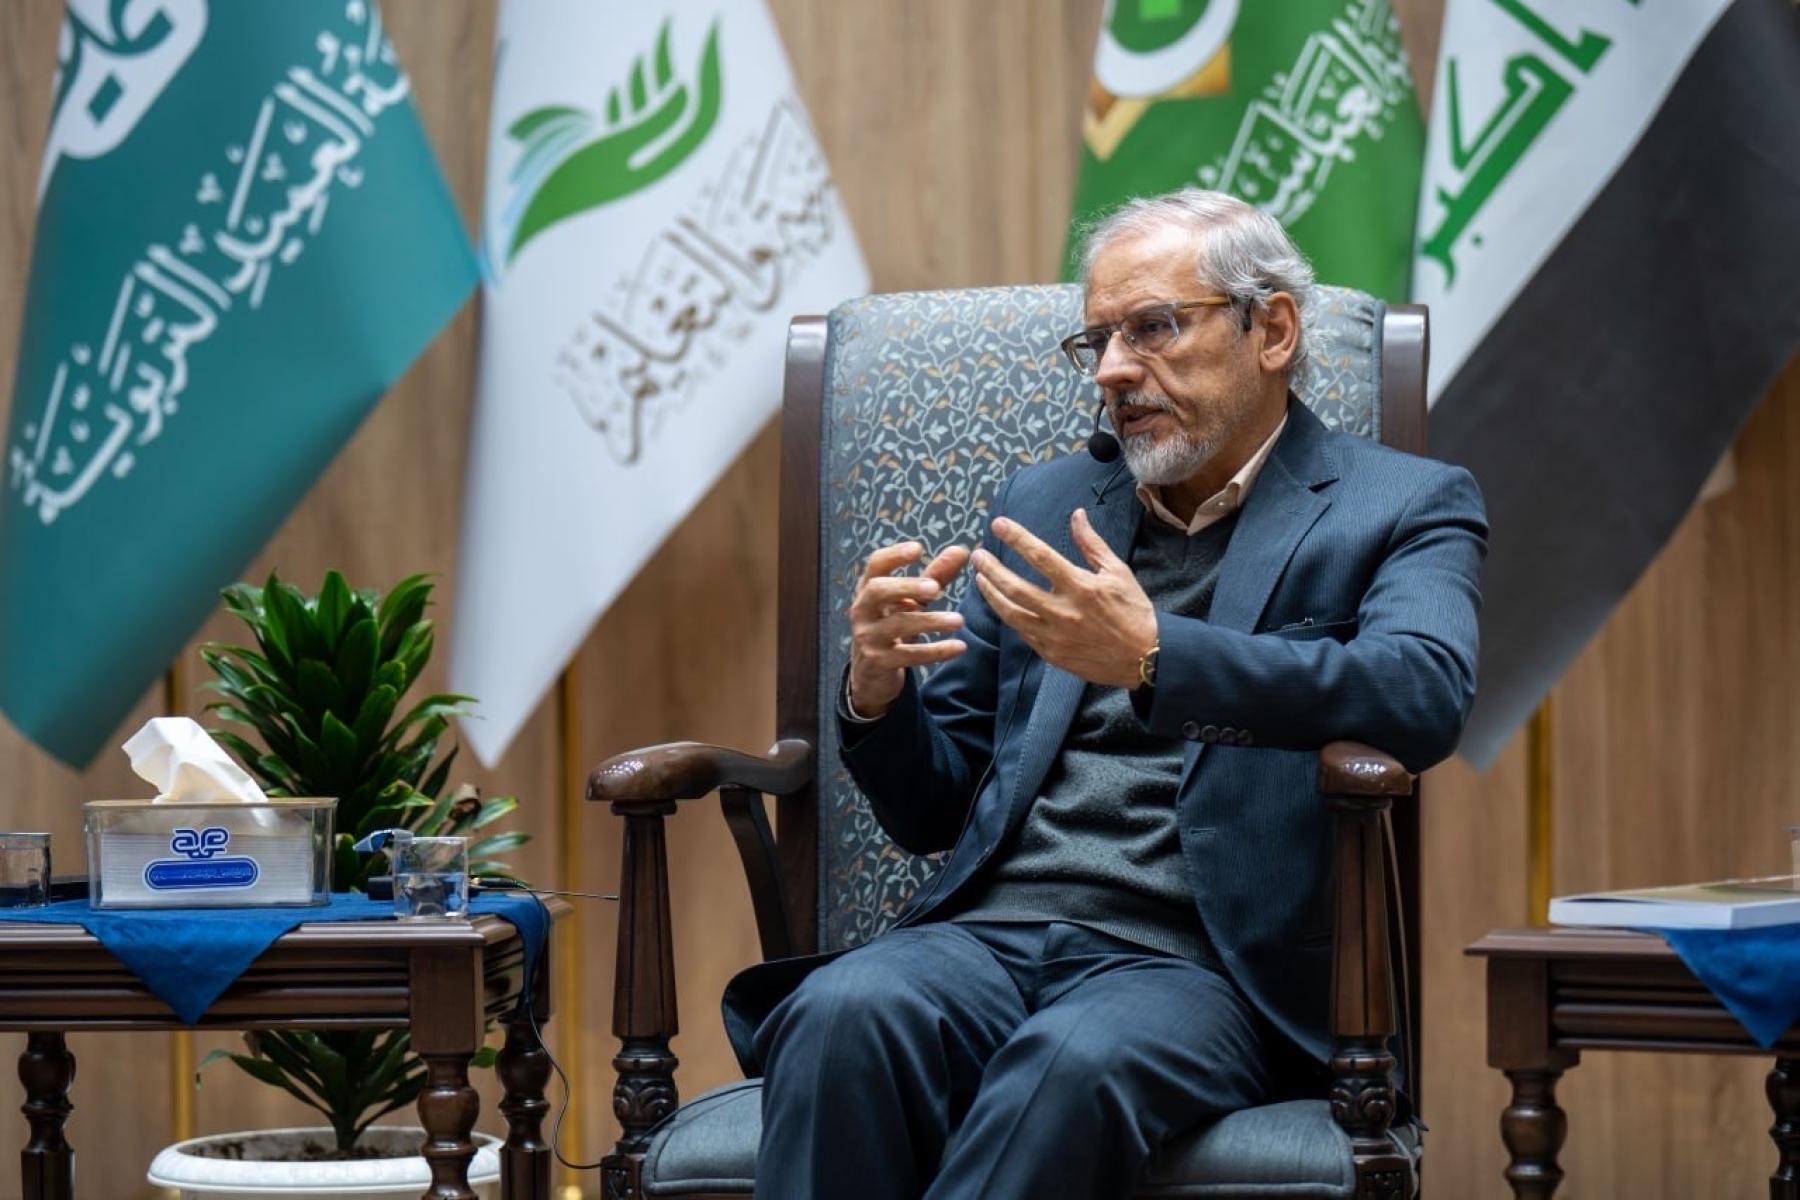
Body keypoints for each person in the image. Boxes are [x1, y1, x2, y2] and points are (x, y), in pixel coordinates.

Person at [722, 189, 1487, 1200]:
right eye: (1099, 341)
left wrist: (1158, 657)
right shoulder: (1047, 506)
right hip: (990, 933)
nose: (1115, 370)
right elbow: (933, 809)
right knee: (839, 1013)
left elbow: (1421, 693)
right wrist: (877, 691)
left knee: (1068, 1068)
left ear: (1272, 330)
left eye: (1154, 327)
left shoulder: (1401, 504)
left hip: (1202, 967)